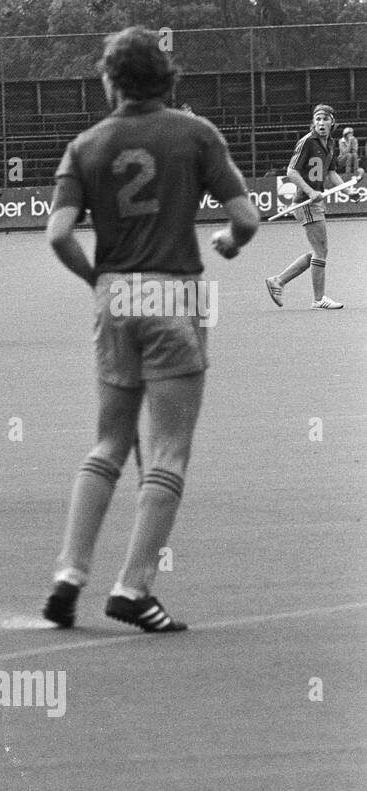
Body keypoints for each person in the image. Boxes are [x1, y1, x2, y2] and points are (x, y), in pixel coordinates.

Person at [41, 26, 259, 632]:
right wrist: (229, 243)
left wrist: (99, 282)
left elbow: (58, 235)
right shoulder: (195, 134)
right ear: (168, 78)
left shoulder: (86, 144)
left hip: (115, 296)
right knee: (167, 452)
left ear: (110, 82)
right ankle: (132, 588)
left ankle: (68, 574)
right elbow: (246, 217)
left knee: (109, 441)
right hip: (174, 293)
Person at [264, 105, 350, 310]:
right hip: (306, 202)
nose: (321, 123)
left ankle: (278, 281)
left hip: (315, 202)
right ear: (313, 122)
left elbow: (331, 174)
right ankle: (318, 299)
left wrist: (349, 192)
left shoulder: (330, 143)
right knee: (321, 250)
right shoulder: (307, 142)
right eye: (317, 119)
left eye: (325, 119)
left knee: (317, 252)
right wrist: (310, 192)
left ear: (333, 123)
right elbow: (291, 171)